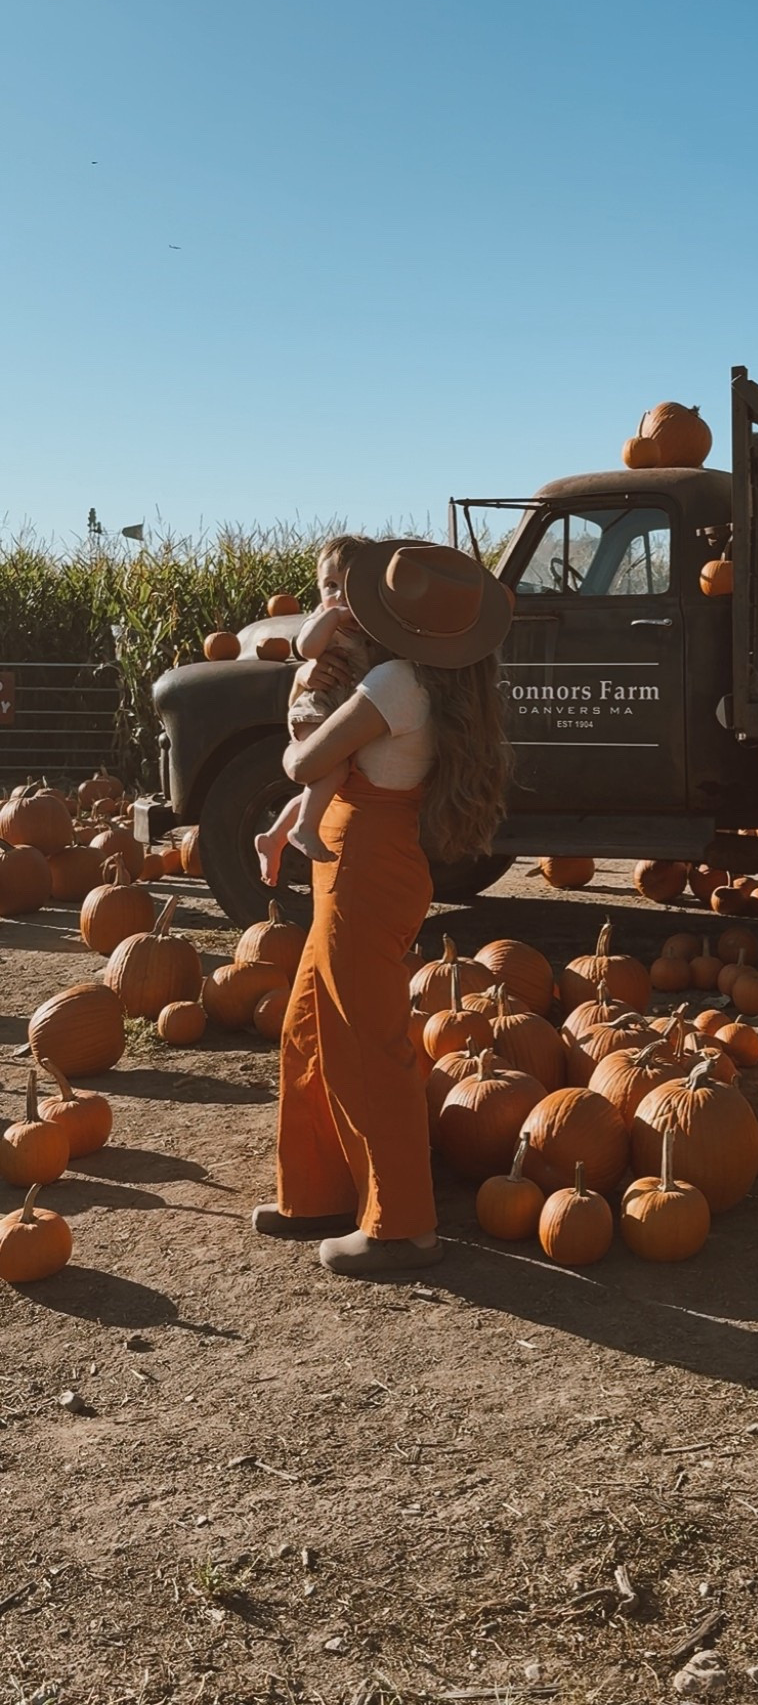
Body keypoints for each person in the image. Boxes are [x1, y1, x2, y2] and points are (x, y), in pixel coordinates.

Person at [252, 537, 514, 1279]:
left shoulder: (396, 681)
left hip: (369, 859)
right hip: (357, 855)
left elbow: (304, 762)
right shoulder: (429, 677)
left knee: (368, 1043)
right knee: (311, 1027)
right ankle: (320, 1193)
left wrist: (294, 739)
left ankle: (402, 1228)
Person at [255, 535, 379, 884]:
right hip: (317, 707)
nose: (339, 596)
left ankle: (274, 837)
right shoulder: (322, 620)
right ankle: (305, 829)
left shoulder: (375, 628)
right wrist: (332, 617)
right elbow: (308, 648)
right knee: (332, 768)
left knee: (332, 783)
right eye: (330, 586)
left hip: (339, 710)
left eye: (351, 587)